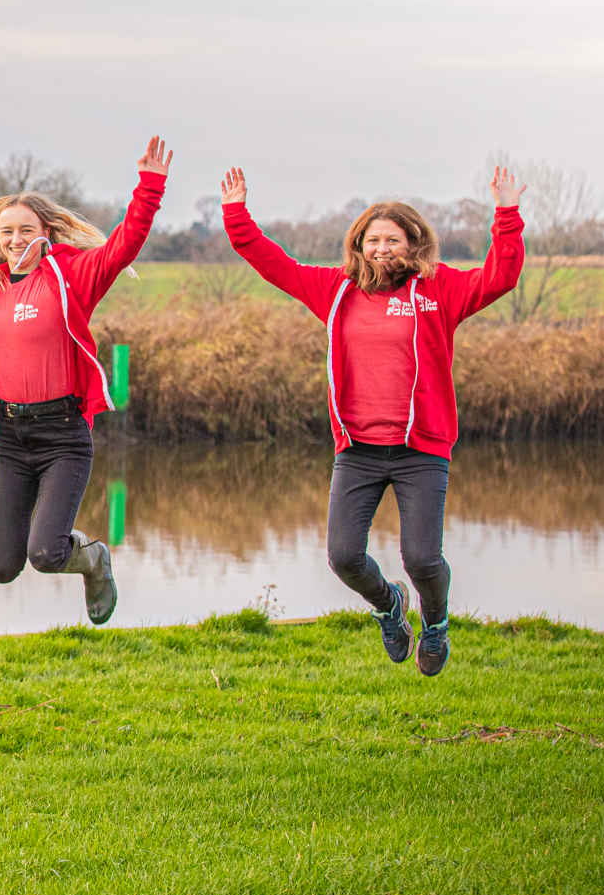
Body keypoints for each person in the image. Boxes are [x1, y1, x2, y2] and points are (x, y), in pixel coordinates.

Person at [221, 164, 525, 675]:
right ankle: (390, 607)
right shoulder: (335, 291)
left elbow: (501, 276)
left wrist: (507, 213)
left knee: (423, 559)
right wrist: (236, 215)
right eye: (372, 240)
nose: (382, 248)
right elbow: (273, 264)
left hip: (421, 451)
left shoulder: (438, 290)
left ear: (414, 244)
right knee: (343, 557)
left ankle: (436, 623)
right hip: (357, 452)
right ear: (358, 246)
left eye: (393, 239)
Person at [0, 138, 173, 623]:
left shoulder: (72, 275)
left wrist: (150, 187)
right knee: (0, 567)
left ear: (47, 230)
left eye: (26, 229)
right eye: (7, 231)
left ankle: (94, 559)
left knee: (46, 553)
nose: (16, 239)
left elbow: (124, 244)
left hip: (63, 435)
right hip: (12, 438)